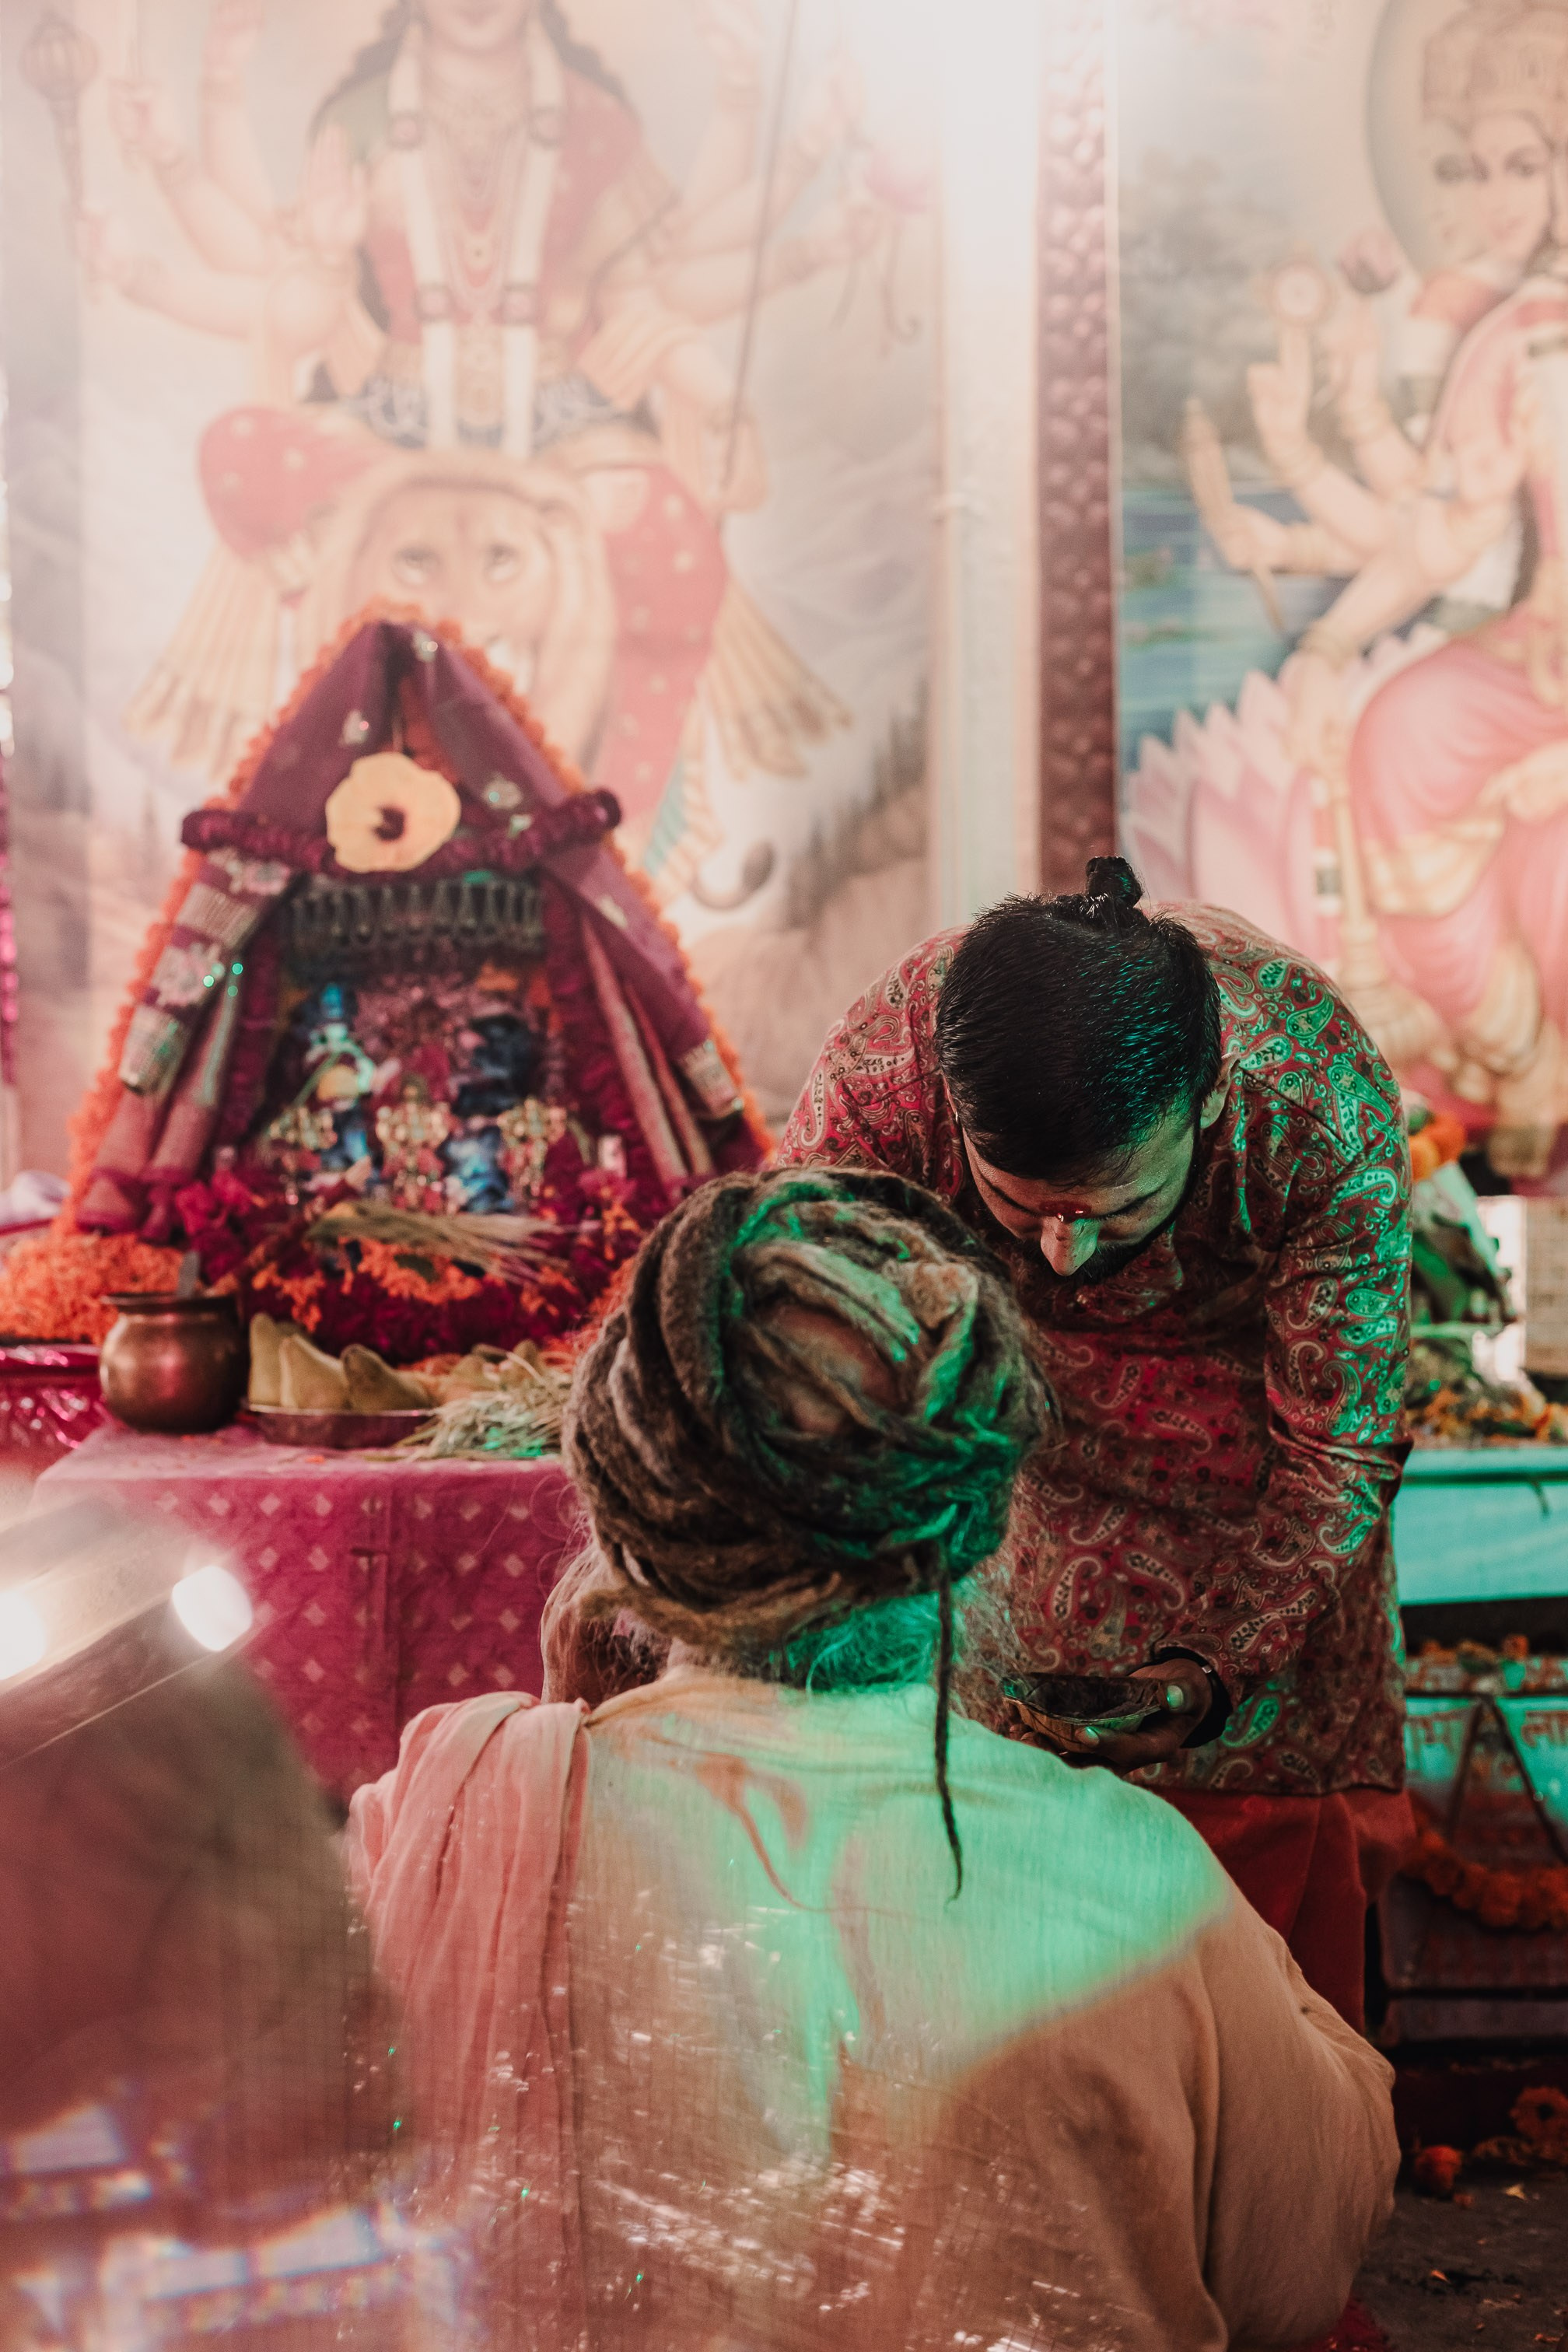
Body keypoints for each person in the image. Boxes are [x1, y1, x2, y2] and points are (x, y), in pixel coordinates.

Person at [348, 1166, 1398, 2350]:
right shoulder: (1140, 1887)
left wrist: (564, 1734)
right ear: (986, 1520)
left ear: (620, 1518)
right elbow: (1302, 2261)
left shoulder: (448, 1816)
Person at [778, 863, 1416, 2030]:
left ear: (1209, 1107)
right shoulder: (877, 1082)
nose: (1063, 1259)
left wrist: (1218, 1669)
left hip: (1258, 1510)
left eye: (1110, 1210)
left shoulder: (1314, 1100)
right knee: (984, 1968)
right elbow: (816, 1367)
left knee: (1260, 2014)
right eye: (1023, 1209)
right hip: (1000, 1489)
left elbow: (1343, 1445)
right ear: (954, 1116)